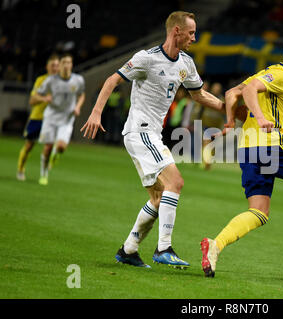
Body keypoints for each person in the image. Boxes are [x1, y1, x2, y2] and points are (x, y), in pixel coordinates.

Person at [80, 11, 224, 269]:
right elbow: (113, 79)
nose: (194, 37)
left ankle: (128, 249)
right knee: (175, 182)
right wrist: (95, 112)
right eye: (190, 32)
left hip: (153, 135)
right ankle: (164, 248)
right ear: (176, 31)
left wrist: (226, 108)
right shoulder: (146, 59)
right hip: (139, 131)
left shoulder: (186, 64)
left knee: (158, 198)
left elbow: (199, 95)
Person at [200, 35, 283, 278]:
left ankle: (215, 246)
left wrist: (231, 120)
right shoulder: (282, 75)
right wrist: (261, 118)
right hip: (270, 144)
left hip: (248, 149)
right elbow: (251, 90)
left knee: (259, 212)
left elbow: (233, 92)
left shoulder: (264, 73)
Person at [35, 53, 85, 185]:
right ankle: (43, 173)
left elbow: (81, 95)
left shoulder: (78, 80)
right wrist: (44, 98)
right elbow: (36, 96)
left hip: (67, 117)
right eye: (64, 62)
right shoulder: (51, 80)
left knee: (61, 147)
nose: (66, 65)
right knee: (47, 147)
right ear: (60, 65)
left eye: (69, 62)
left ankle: (55, 154)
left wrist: (78, 107)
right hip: (51, 116)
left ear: (71, 65)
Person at [16, 54, 60, 181]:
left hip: (53, 120)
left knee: (50, 146)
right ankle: (20, 169)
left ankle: (44, 173)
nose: (55, 68)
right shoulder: (41, 80)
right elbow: (32, 100)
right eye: (52, 65)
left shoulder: (62, 81)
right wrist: (44, 98)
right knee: (29, 146)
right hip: (37, 118)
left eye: (57, 65)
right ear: (47, 67)